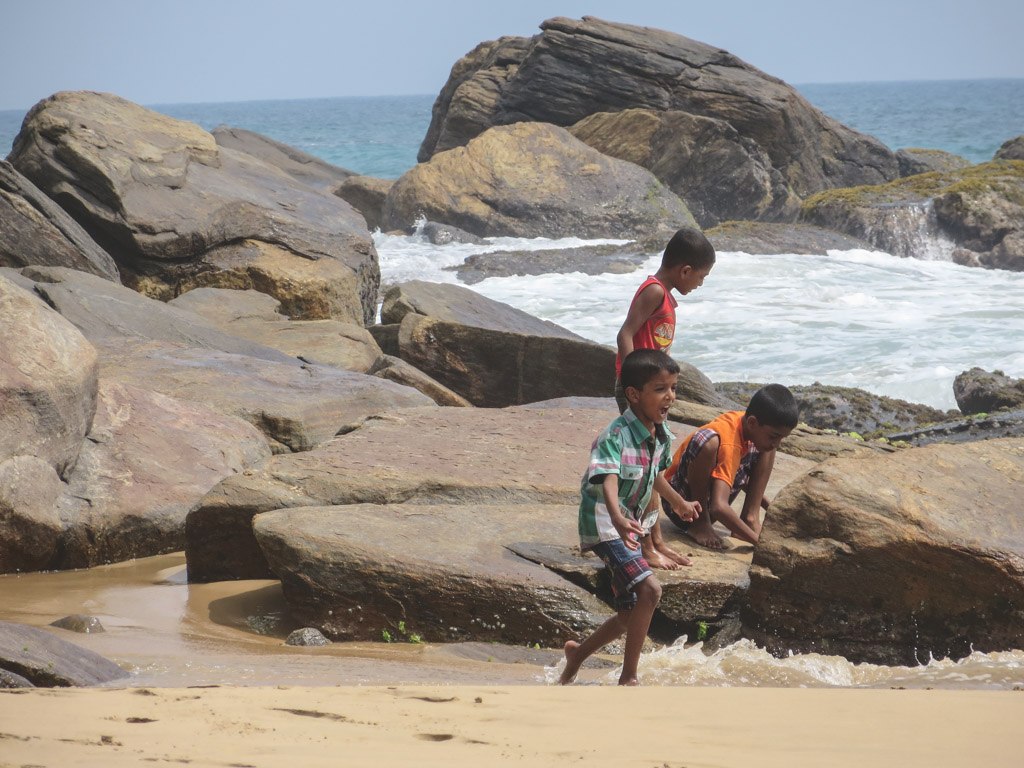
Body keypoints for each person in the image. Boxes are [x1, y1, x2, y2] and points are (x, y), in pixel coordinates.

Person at [561, 349, 701, 686]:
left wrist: (679, 503)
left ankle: (578, 654)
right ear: (634, 395)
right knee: (650, 591)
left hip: (627, 526)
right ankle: (629, 677)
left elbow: (654, 476)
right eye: (660, 389)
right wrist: (617, 518)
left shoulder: (661, 434)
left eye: (673, 388)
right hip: (605, 523)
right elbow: (607, 478)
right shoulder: (615, 435)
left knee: (627, 613)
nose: (670, 396)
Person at [614, 226, 715, 570]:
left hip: (651, 393)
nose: (700, 284)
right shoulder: (655, 291)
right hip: (641, 392)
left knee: (654, 464)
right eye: (700, 278)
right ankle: (645, 544)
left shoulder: (664, 295)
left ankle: (655, 539)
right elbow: (625, 333)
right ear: (684, 270)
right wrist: (635, 388)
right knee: (644, 469)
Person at [662, 384, 799, 549]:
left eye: (781, 438)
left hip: (711, 497)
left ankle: (750, 518)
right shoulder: (729, 440)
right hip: (682, 506)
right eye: (774, 436)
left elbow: (738, 476)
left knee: (766, 447)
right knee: (707, 442)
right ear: (752, 422)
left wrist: (770, 507)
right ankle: (700, 524)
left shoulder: (750, 426)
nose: (777, 443)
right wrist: (759, 543)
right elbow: (719, 507)